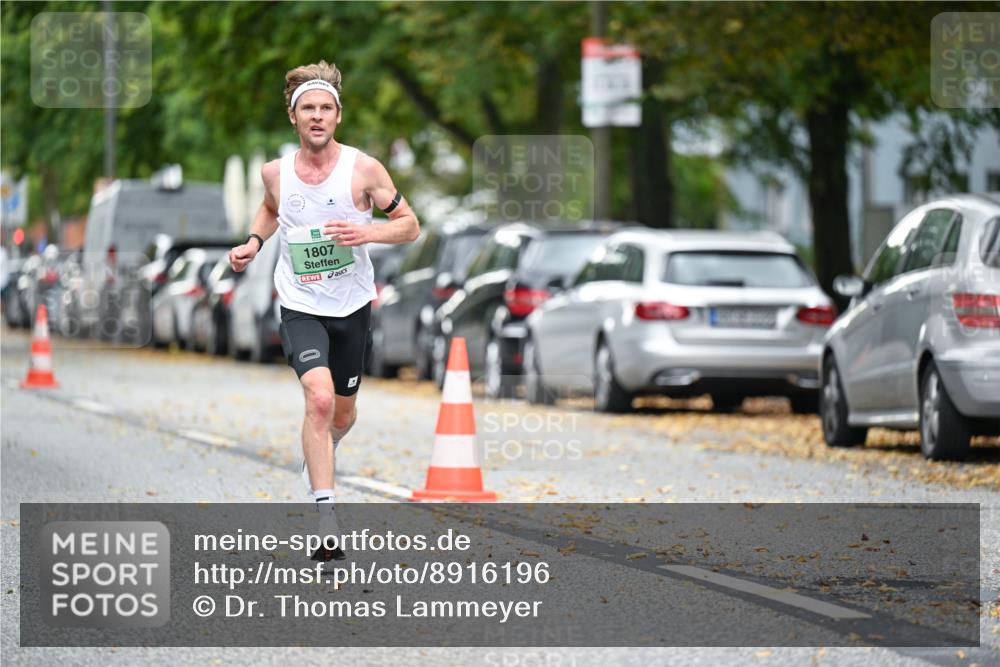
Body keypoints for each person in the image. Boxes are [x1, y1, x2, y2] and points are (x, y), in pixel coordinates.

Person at [229, 61, 419, 560]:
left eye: (325, 108)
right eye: (307, 108)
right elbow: (272, 208)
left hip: (352, 303)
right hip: (299, 303)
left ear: (338, 116)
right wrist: (253, 241)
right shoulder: (275, 173)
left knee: (342, 410)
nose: (317, 116)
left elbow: (410, 225)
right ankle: (327, 518)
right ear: (293, 117)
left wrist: (368, 231)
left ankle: (322, 452)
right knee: (316, 401)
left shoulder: (365, 169)